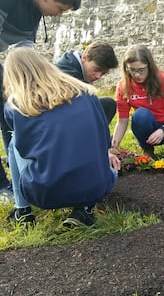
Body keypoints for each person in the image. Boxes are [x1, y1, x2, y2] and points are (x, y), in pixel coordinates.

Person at [2, 47, 120, 226]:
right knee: (102, 164)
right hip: (97, 185)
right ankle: (84, 210)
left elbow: (25, 149)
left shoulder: (17, 106)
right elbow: (103, 139)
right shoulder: (87, 92)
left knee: (13, 142)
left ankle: (23, 210)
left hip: (45, 192)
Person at [0, 0, 82, 200]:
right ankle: (2, 185)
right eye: (61, 9)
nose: (59, 15)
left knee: (12, 113)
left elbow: (24, 50)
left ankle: (20, 172)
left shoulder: (36, 6)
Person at [111, 44, 164, 158]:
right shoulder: (123, 86)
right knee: (140, 115)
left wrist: (163, 129)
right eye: (132, 70)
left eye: (141, 70)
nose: (136, 74)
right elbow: (122, 121)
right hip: (147, 124)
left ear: (149, 66)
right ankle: (147, 149)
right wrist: (114, 145)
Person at [55, 40, 119, 124]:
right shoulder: (67, 74)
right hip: (57, 118)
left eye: (103, 73)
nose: (98, 76)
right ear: (85, 58)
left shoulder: (76, 66)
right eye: (96, 69)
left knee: (108, 105)